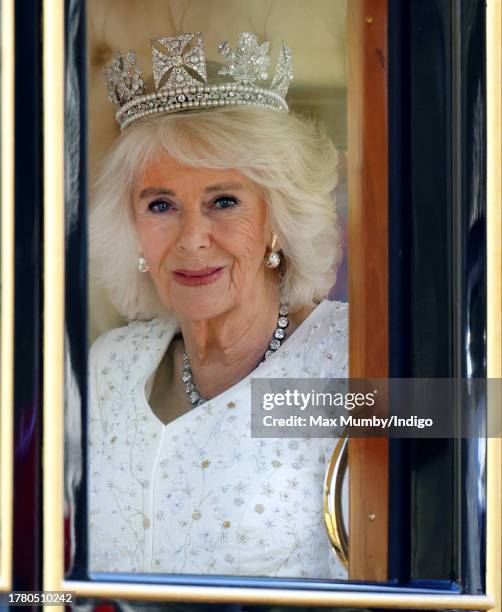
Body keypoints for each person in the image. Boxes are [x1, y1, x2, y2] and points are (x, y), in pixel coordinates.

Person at [88, 31, 348, 579]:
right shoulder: (108, 366)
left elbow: (472, 475)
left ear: (277, 219)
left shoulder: (349, 361)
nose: (191, 238)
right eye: (161, 204)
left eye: (223, 201)